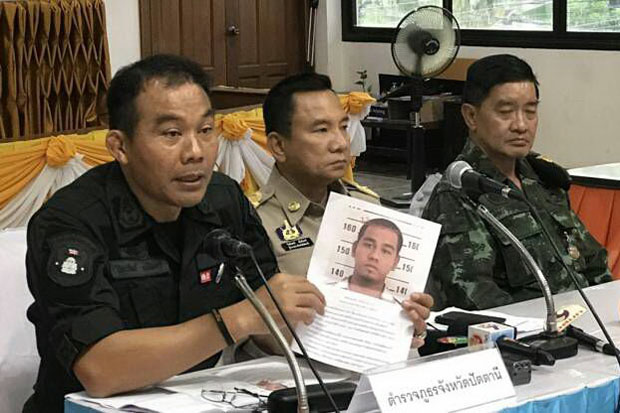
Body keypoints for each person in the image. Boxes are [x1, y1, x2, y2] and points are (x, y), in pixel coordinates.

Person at [23, 54, 326, 413]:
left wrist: (390, 329)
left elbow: (271, 322)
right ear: (120, 147)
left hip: (201, 401)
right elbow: (100, 368)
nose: (196, 152)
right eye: (172, 134)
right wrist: (240, 319)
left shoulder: (224, 200)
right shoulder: (71, 221)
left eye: (205, 130)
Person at [254, 72, 433, 344]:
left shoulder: (367, 206)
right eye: (321, 130)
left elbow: (400, 305)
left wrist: (412, 322)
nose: (340, 143)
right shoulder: (254, 219)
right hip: (293, 376)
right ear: (278, 146)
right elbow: (249, 332)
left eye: (343, 127)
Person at [422, 54, 611, 311]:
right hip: (528, 339)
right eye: (506, 112)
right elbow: (474, 298)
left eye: (530, 111)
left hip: (586, 324)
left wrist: (608, 310)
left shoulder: (543, 179)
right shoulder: (459, 194)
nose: (521, 125)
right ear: (471, 116)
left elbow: (593, 262)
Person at [336, 218, 402, 301]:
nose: (374, 256)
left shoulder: (400, 312)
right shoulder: (321, 296)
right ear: (354, 249)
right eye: (368, 245)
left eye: (385, 251)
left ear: (395, 262)